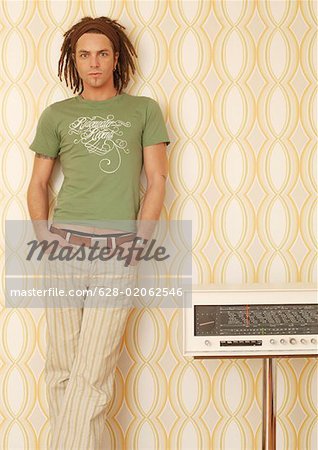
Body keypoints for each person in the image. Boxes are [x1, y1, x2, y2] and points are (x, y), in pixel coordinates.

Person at [27, 16, 170, 449]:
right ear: (74, 60)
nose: (94, 63)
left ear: (116, 58)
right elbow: (36, 184)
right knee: (62, 370)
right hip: (63, 246)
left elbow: (157, 181)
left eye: (103, 53)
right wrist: (43, 239)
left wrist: (138, 244)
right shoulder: (57, 115)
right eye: (85, 54)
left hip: (117, 249)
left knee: (92, 373)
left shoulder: (143, 110)